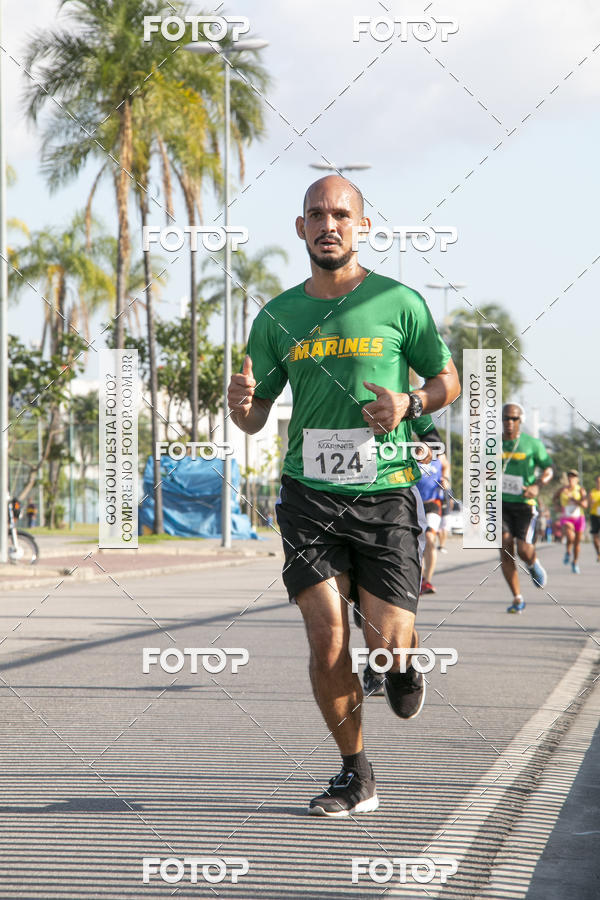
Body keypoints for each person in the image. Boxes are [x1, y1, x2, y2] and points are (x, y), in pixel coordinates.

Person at [227, 175, 460, 817]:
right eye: (316, 214)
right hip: (309, 495)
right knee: (327, 639)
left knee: (385, 643)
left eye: (340, 214)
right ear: (300, 228)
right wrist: (243, 409)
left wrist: (411, 402)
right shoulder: (277, 316)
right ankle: (356, 774)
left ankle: (402, 663)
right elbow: (255, 415)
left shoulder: (398, 302)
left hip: (385, 494)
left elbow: (447, 379)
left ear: (361, 226)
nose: (328, 224)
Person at [501, 402, 553, 613]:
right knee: (505, 545)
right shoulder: (492, 445)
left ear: (520, 420)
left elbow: (549, 468)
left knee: (523, 549)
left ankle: (532, 564)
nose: (509, 422)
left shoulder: (532, 444)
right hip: (501, 504)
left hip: (525, 505)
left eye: (514, 418)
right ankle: (517, 598)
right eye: (506, 418)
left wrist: (537, 486)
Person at [416, 449, 450, 595]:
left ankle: (427, 581)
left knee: (430, 538)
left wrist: (445, 479)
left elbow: (446, 466)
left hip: (433, 504)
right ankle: (417, 579)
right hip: (414, 505)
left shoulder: (437, 459)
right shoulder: (410, 459)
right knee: (417, 543)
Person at [554, 471, 588, 574]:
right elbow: (554, 498)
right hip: (566, 517)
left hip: (579, 517)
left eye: (573, 477)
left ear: (577, 479)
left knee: (577, 543)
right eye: (569, 476)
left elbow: (585, 505)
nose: (571, 478)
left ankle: (575, 562)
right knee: (570, 536)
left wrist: (574, 500)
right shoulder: (562, 490)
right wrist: (557, 506)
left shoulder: (580, 490)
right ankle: (568, 552)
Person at [589, 475, 600, 562]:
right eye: (598, 481)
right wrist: (591, 502)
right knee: (595, 536)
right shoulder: (592, 492)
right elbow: (589, 505)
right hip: (594, 515)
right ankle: (598, 553)